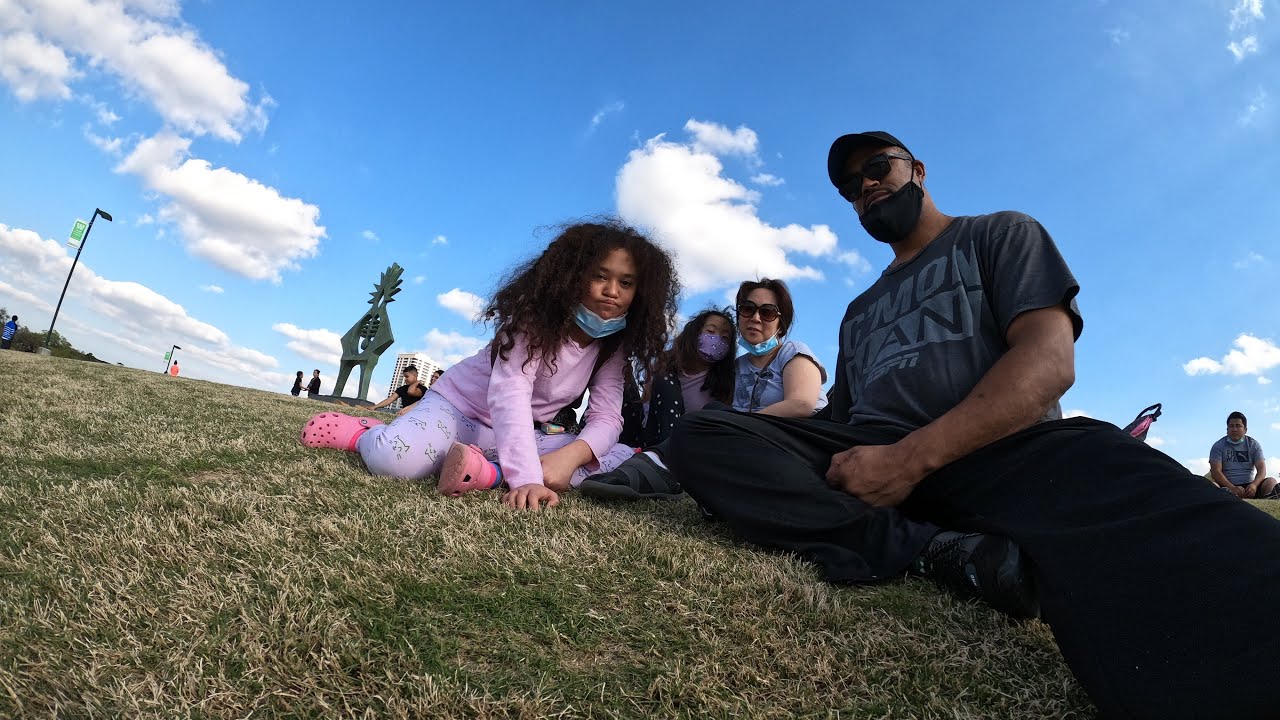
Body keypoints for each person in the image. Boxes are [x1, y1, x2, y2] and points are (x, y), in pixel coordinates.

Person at [663, 130, 1280, 720]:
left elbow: (1047, 362)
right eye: (852, 186)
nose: (867, 186)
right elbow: (840, 417)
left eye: (879, 168)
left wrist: (912, 459)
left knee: (1150, 499)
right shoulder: (857, 314)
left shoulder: (1000, 235)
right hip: (874, 452)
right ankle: (934, 551)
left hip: (1006, 447)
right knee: (704, 438)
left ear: (918, 170)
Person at [300, 220, 679, 512]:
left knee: (610, 458)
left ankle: (488, 472)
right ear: (572, 275)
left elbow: (608, 418)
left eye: (626, 282)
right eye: (600, 276)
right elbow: (510, 394)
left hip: (518, 435)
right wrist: (528, 479)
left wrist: (569, 457)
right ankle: (363, 433)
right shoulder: (534, 320)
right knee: (395, 461)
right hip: (460, 410)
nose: (612, 291)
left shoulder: (612, 346)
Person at [581, 282, 828, 499]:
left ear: (780, 322)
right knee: (709, 416)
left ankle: (655, 468)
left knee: (711, 415)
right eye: (747, 309)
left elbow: (802, 404)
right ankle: (640, 466)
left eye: (767, 312)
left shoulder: (793, 352)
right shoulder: (735, 369)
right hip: (749, 445)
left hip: (791, 441)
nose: (755, 318)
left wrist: (732, 423)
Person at [1209, 411, 1278, 499]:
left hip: (1250, 487)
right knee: (1212, 486)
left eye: (1238, 426)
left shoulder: (1253, 445)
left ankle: (1270, 504)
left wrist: (1254, 485)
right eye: (1231, 426)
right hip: (1227, 487)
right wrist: (1232, 488)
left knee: (1271, 481)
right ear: (1227, 430)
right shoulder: (1218, 446)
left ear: (1245, 430)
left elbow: (1262, 469)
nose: (1234, 429)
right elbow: (1215, 471)